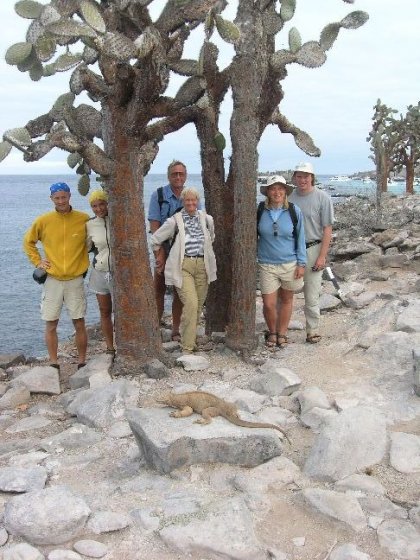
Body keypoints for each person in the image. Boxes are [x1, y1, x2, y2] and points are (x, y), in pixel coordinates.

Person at [23, 182, 89, 369]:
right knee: (51, 323)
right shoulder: (43, 221)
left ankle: (82, 360)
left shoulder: (83, 219)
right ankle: (53, 362)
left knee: (79, 322)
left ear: (69, 196)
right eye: (57, 198)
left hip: (75, 279)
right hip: (52, 280)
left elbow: (93, 241)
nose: (61, 201)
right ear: (51, 199)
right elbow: (28, 242)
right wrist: (38, 262)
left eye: (64, 197)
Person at [150, 188, 217, 354]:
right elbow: (155, 239)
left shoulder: (207, 219)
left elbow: (211, 237)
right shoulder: (175, 221)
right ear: (182, 202)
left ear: (197, 201)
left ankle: (191, 340)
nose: (191, 203)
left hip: (202, 265)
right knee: (191, 303)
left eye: (193, 200)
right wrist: (159, 256)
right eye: (187, 200)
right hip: (183, 266)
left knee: (198, 305)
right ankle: (187, 347)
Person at [257, 175, 306, 349]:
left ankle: (282, 333)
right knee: (269, 304)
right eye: (273, 188)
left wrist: (302, 263)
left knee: (286, 300)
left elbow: (300, 238)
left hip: (290, 264)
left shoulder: (294, 211)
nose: (277, 192)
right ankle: (272, 332)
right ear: (268, 192)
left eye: (280, 188)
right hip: (266, 263)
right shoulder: (260, 210)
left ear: (285, 191)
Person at [289, 162, 334, 344]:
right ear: (294, 178)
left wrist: (322, 256)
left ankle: (312, 330)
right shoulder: (289, 198)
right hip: (290, 250)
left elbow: (327, 229)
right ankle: (279, 330)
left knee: (312, 293)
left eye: (306, 176)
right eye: (299, 176)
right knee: (286, 292)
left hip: (313, 248)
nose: (302, 180)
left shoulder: (323, 198)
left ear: (312, 178)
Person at [148, 160, 189, 341]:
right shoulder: (158, 196)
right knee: (158, 289)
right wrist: (159, 255)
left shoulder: (191, 196)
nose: (178, 177)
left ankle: (176, 329)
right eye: (174, 174)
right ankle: (154, 326)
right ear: (168, 176)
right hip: (163, 248)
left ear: (185, 176)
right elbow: (154, 228)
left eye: (181, 174)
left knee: (179, 291)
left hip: (183, 251)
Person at [86, 189, 115, 355]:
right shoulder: (89, 225)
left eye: (101, 204)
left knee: (121, 311)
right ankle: (110, 347)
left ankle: (124, 345)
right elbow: (86, 247)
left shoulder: (117, 219)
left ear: (107, 203)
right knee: (104, 311)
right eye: (94, 206)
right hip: (99, 272)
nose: (98, 209)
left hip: (118, 274)